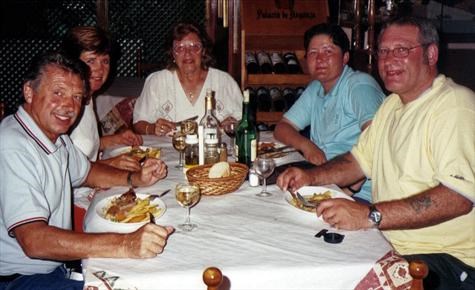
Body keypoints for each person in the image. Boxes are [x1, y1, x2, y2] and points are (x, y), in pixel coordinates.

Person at [277, 17, 474, 289]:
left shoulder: (454, 106)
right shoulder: (392, 105)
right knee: (297, 257)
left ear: (431, 54)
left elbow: (457, 197)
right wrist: (311, 177)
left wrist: (369, 215)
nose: (389, 60)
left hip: (443, 259)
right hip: (388, 240)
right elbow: (357, 161)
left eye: (402, 50)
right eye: (383, 51)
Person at [0, 51, 173, 290]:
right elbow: (33, 240)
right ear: (29, 91)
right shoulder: (12, 144)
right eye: (58, 93)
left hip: (56, 268)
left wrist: (135, 178)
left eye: (77, 97)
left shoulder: (55, 137)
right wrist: (125, 245)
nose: (69, 106)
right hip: (20, 280)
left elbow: (87, 172)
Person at [273, 23, 385, 202]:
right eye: (313, 53)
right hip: (323, 181)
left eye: (328, 51)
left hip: (360, 195)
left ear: (345, 57)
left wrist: (350, 188)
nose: (320, 59)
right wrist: (307, 146)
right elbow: (282, 128)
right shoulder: (316, 88)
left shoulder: (359, 85)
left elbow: (379, 142)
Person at [133, 22, 242, 136]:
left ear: (203, 51)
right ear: (172, 54)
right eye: (180, 48)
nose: (188, 53)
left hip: (214, 151)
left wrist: (234, 124)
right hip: (167, 152)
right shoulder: (157, 81)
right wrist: (152, 128)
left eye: (195, 47)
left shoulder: (224, 81)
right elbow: (138, 122)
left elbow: (244, 121)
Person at [62, 26, 144, 172]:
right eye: (91, 61)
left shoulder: (87, 97)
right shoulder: (64, 107)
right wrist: (110, 163)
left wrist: (117, 139)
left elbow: (84, 146)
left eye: (105, 61)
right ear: (72, 63)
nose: (100, 69)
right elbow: (66, 169)